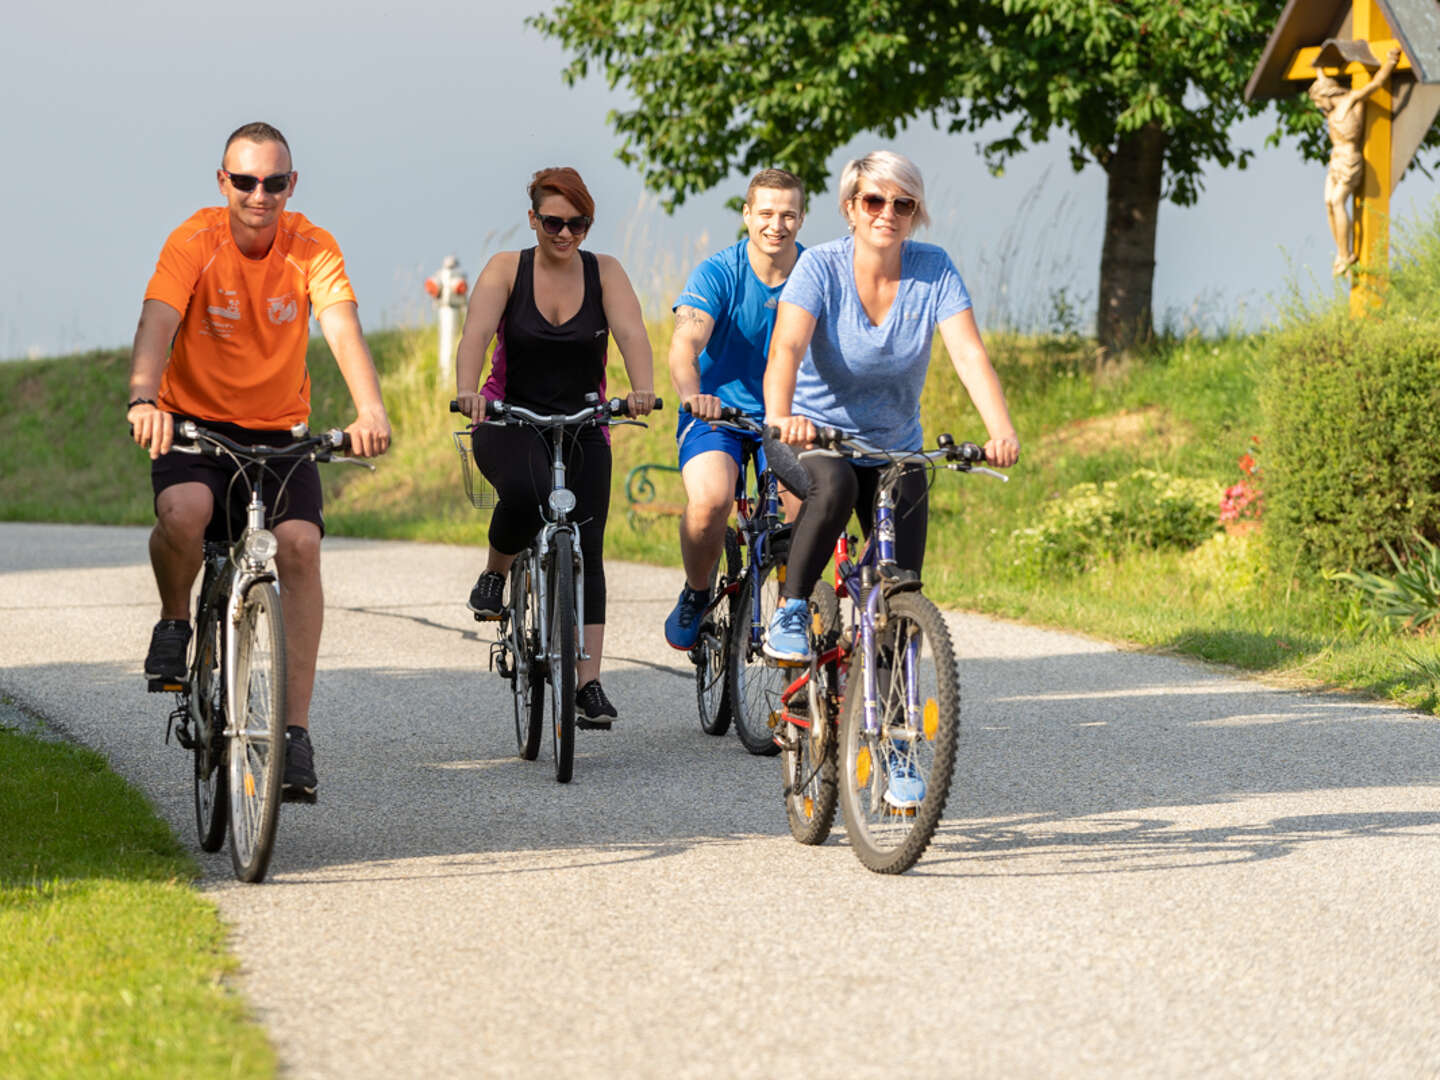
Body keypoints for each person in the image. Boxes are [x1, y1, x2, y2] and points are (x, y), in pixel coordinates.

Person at [127, 121, 392, 803]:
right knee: (186, 512)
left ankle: (294, 734)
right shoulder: (194, 240)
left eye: (274, 182)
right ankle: (174, 620)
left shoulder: (312, 247)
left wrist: (370, 411)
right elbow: (157, 320)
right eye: (244, 180)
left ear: (290, 186)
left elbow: (341, 326)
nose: (259, 194)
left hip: (280, 433)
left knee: (300, 546)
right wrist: (143, 398)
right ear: (223, 183)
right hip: (193, 424)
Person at [763, 149, 1021, 679]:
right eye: (875, 200)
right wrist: (782, 416)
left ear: (915, 214)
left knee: (899, 590)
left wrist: (1001, 431)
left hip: (893, 443)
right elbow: (786, 348)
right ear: (852, 207)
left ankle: (895, 738)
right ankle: (790, 611)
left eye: (903, 204)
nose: (888, 213)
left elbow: (969, 355)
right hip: (814, 434)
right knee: (833, 487)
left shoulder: (933, 269)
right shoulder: (820, 266)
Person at [455, 166, 656, 729]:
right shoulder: (507, 269)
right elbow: (474, 335)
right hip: (508, 416)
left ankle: (587, 680)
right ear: (533, 220)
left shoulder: (605, 272)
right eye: (553, 222)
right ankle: (497, 571)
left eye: (578, 224)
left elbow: (633, 334)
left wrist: (641, 390)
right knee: (526, 491)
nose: (565, 234)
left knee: (587, 542)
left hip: (583, 420)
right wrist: (468, 393)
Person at [663, 168, 806, 650]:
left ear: (802, 218)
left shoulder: (815, 274)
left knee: (806, 507)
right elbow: (686, 341)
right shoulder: (718, 272)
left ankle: (794, 608)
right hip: (715, 414)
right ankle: (697, 590)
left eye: (788, 214)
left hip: (785, 416)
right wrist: (692, 392)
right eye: (766, 213)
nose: (776, 225)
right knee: (710, 503)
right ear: (747, 214)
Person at [1308, 47, 1401, 276]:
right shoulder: (1329, 109)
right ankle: (1342, 252)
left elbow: (1375, 84)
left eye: (1320, 102)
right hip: (1335, 159)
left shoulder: (1350, 101)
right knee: (1328, 203)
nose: (1319, 108)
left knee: (1338, 201)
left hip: (1350, 159)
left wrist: (1389, 63)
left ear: (1328, 95)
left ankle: (1344, 254)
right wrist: (1319, 66)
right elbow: (1321, 80)